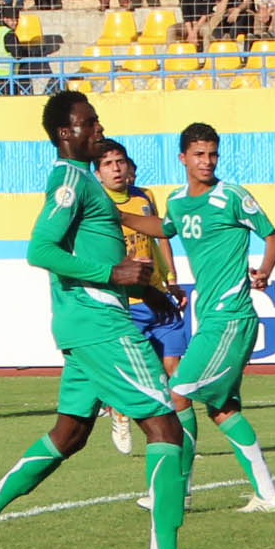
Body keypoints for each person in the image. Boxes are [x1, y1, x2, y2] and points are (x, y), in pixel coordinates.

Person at [0, 90, 212, 549]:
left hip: (86, 321)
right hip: (99, 324)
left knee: (68, 436)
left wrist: (148, 291)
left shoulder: (87, 184)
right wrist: (112, 275)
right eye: (90, 123)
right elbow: (41, 249)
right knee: (166, 425)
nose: (99, 129)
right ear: (67, 133)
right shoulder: (69, 181)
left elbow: (115, 252)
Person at [163, 122, 275, 512]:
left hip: (231, 316)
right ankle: (268, 495)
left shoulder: (232, 196)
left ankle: (175, 491)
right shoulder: (177, 201)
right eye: (199, 154)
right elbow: (164, 228)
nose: (207, 161)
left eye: (212, 154)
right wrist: (117, 213)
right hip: (211, 317)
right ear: (183, 158)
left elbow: (272, 236)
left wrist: (264, 271)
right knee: (222, 410)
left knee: (178, 393)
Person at [95, 139, 191, 457]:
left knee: (174, 370)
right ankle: (120, 411)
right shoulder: (96, 204)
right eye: (108, 163)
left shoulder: (144, 197)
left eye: (120, 161)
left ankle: (180, 443)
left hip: (159, 296)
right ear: (97, 173)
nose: (117, 168)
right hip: (127, 304)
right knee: (143, 374)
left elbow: (158, 239)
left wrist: (171, 280)